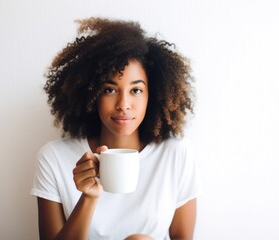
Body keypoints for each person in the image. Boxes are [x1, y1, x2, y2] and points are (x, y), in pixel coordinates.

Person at [30, 17, 199, 240]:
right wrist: (88, 198)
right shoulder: (54, 158)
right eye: (110, 90)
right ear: (92, 95)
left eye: (136, 90)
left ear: (153, 94)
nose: (123, 104)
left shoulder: (175, 154)